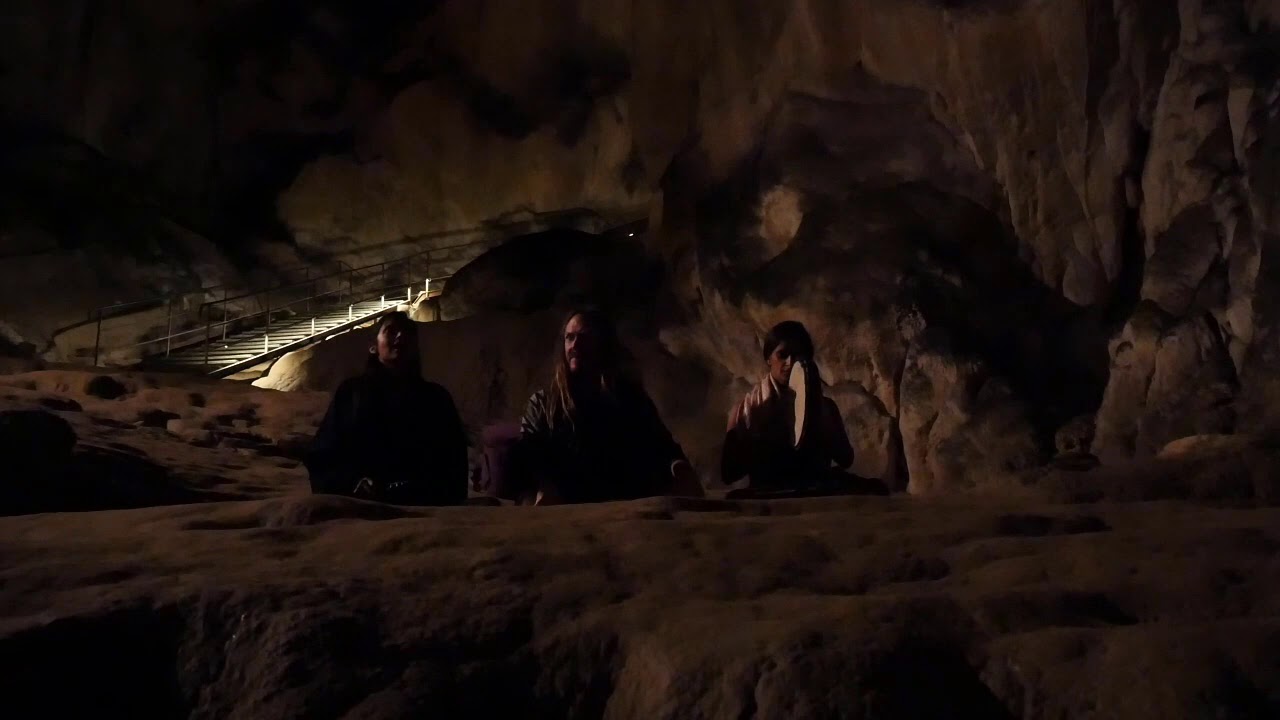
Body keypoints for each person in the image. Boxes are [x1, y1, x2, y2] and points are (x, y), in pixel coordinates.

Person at [517, 307, 703, 504]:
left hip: (618, 491)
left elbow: (661, 443)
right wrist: (543, 484)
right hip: (566, 492)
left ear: (602, 344)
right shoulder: (544, 403)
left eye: (584, 337)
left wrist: (679, 467)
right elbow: (529, 452)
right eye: (569, 338)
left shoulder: (627, 398)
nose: (575, 345)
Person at [305, 311, 468, 505]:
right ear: (374, 346)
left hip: (422, 503)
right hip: (361, 502)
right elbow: (326, 452)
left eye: (407, 332)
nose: (400, 336)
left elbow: (453, 461)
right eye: (391, 331)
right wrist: (352, 482)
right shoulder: (351, 393)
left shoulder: (436, 398)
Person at [722, 320, 885, 495]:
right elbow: (729, 473)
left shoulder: (826, 407)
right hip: (769, 494)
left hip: (816, 492)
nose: (790, 362)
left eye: (798, 356)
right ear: (768, 358)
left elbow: (846, 459)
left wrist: (822, 419)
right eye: (782, 355)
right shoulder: (747, 410)